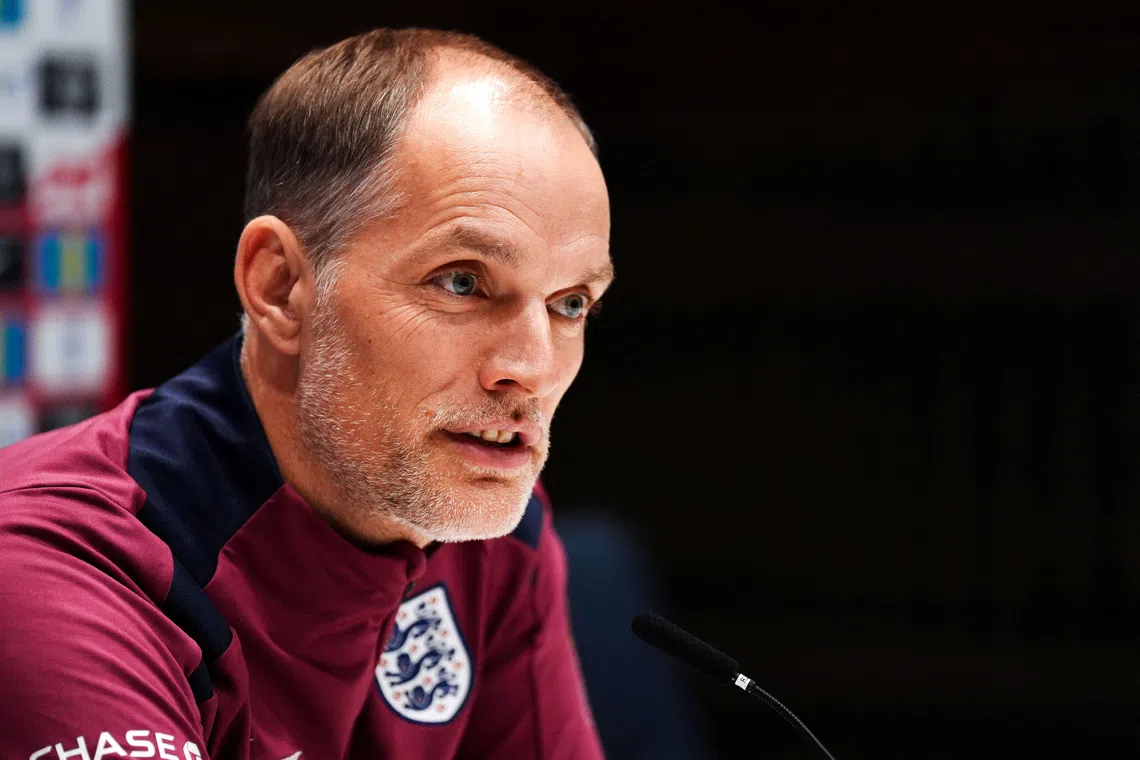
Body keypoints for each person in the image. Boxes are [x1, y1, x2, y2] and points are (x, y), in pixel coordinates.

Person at [0, 28, 613, 760]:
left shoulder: (492, 538)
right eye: (462, 282)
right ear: (281, 287)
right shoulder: (59, 569)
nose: (533, 367)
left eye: (571, 303)